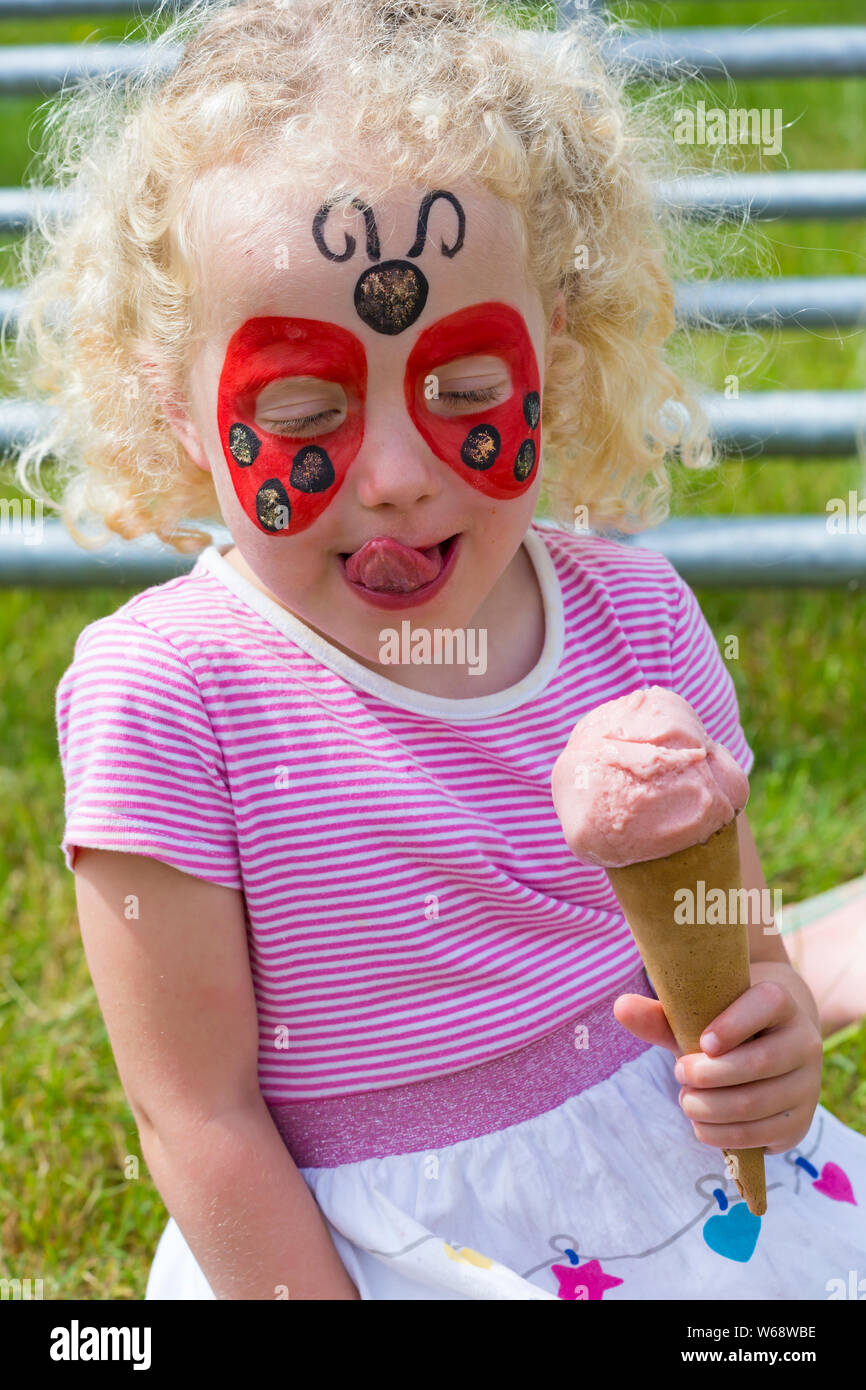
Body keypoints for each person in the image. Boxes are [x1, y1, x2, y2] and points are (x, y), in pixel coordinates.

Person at [19, 0, 864, 1299]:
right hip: (368, 1251)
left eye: (466, 390)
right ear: (168, 400)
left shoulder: (634, 620)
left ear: (560, 347)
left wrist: (772, 1040)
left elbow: (735, 957)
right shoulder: (170, 692)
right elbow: (199, 1114)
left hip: (681, 1197)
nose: (402, 477)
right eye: (302, 409)